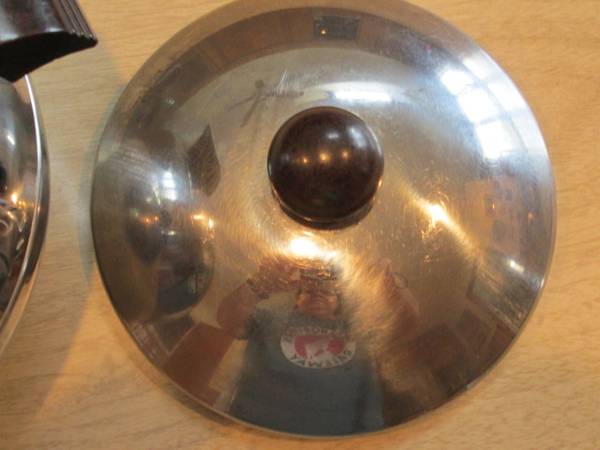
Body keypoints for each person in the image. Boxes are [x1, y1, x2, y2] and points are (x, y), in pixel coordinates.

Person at [217, 256, 386, 435]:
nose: (318, 294)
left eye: (328, 291)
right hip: (249, 435)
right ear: (297, 300)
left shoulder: (358, 330)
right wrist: (258, 284)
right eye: (309, 291)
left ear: (338, 301)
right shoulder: (271, 317)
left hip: (334, 442)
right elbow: (228, 321)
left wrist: (384, 283)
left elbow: (374, 385)